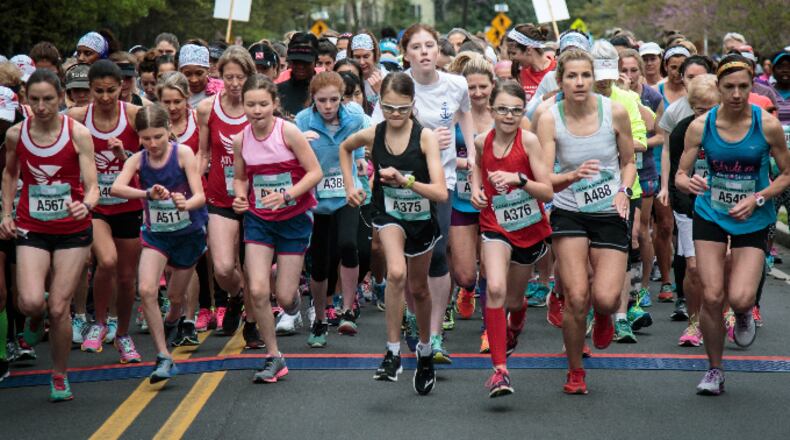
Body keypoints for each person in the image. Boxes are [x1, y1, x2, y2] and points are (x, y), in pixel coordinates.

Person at [676, 54, 790, 395]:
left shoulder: (766, 124)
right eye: (729, 87)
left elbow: (786, 174)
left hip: (753, 216)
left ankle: (742, 313)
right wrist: (688, 182)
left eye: (744, 86)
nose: (737, 94)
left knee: (740, 297)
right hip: (711, 213)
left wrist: (757, 198)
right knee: (711, 295)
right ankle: (714, 369)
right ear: (718, 88)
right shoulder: (701, 126)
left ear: (752, 85)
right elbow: (680, 175)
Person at [339, 72, 446, 395]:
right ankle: (392, 352)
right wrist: (351, 186)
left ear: (413, 105)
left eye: (402, 109)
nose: (395, 115)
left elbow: (440, 192)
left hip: (422, 219)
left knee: (420, 289)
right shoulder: (374, 133)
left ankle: (425, 351)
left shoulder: (425, 137)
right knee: (396, 273)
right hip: (387, 215)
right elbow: (345, 148)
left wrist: (406, 182)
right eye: (388, 108)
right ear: (380, 105)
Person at [537, 49, 636, 394]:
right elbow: (546, 176)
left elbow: (629, 162)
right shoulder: (549, 118)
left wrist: (624, 190)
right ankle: (575, 370)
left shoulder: (616, 112)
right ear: (560, 80)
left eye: (585, 76)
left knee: (606, 298)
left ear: (594, 78)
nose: (579, 83)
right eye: (571, 76)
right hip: (569, 211)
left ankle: (606, 315)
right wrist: (573, 175)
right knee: (577, 296)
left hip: (609, 209)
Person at [376, 23, 475, 364]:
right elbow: (377, 131)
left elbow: (465, 114)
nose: (424, 52)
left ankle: (434, 334)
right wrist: (428, 137)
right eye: (416, 47)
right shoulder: (397, 85)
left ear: (438, 50)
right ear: (406, 54)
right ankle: (409, 314)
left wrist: (470, 154)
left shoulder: (456, 83)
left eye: (429, 45)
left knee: (435, 254)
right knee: (405, 261)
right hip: (399, 185)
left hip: (439, 182)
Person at [1, 69, 99, 401]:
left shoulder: (78, 133)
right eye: (35, 100)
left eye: (48, 100)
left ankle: (58, 375)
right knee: (29, 301)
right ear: (26, 99)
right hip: (33, 226)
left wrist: (85, 205)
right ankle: (36, 313)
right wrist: (5, 213)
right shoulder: (16, 134)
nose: (42, 107)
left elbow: (93, 186)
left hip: (73, 230)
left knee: (59, 307)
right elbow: (10, 174)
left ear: (60, 98)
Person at [231, 74, 322, 382]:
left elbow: (314, 173)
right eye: (250, 104)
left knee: (283, 297)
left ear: (274, 104)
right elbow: (241, 177)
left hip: (294, 217)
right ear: (243, 105)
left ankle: (294, 301)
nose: (256, 110)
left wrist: (286, 195)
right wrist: (241, 196)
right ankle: (274, 356)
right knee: (256, 289)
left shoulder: (289, 133)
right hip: (259, 219)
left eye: (263, 104)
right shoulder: (240, 139)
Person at [110, 103, 207, 382]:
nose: (152, 143)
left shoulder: (183, 154)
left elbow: (199, 196)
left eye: (158, 137)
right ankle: (164, 356)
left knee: (176, 297)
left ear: (168, 131)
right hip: (157, 236)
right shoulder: (139, 159)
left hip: (188, 234)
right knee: (147, 289)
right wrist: (146, 193)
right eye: (146, 138)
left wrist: (183, 202)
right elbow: (117, 187)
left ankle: (174, 319)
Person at [470, 80, 553, 397]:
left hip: (528, 228)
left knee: (515, 301)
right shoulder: (481, 141)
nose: (508, 115)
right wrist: (477, 188)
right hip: (494, 224)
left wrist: (520, 180)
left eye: (516, 110)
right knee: (494, 287)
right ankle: (500, 371)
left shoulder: (529, 141)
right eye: (502, 109)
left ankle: (515, 324)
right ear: (491, 110)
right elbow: (478, 167)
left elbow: (546, 190)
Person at [66, 60, 143, 361]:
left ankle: (122, 335)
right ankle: (98, 323)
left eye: (112, 90)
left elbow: (157, 151)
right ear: (90, 90)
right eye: (99, 91)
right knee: (106, 261)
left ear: (121, 87)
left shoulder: (134, 115)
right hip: (96, 206)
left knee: (126, 278)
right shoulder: (76, 117)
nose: (106, 97)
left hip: (128, 204)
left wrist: (127, 155)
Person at [295, 71, 367, 346]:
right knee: (320, 264)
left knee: (349, 245)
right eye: (322, 100)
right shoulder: (302, 122)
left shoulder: (355, 118)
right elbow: (292, 159)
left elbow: (358, 147)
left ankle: (348, 309)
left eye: (334, 100)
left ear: (342, 99)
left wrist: (360, 161)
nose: (328, 106)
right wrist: (302, 144)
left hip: (345, 195)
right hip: (316, 201)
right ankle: (320, 319)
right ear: (313, 99)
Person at [197, 46, 256, 337]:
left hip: (256, 197)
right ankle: (237, 296)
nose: (234, 83)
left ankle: (254, 323)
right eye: (229, 77)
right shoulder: (207, 108)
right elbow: (203, 155)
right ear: (220, 77)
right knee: (222, 268)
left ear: (249, 77)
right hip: (220, 195)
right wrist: (195, 188)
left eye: (240, 77)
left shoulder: (258, 106)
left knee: (252, 266)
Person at [668, 74, 719, 347]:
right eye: (700, 110)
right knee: (694, 267)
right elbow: (678, 174)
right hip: (690, 206)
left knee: (723, 265)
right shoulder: (683, 131)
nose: (706, 116)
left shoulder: (733, 130)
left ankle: (725, 315)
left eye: (712, 109)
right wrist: (685, 203)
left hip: (725, 207)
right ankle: (694, 322)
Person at [506, 23, 555, 102]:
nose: (511, 58)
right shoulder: (520, 73)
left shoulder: (557, 70)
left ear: (529, 50)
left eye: (514, 53)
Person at [278, 33, 319, 119]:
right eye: (296, 61)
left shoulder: (327, 91)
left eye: (306, 61)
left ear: (316, 60)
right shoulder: (277, 91)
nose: (300, 66)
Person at [350, 32, 387, 105]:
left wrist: (380, 92)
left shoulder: (387, 78)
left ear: (375, 55)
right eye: (357, 57)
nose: (362, 62)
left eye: (366, 56)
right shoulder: (349, 78)